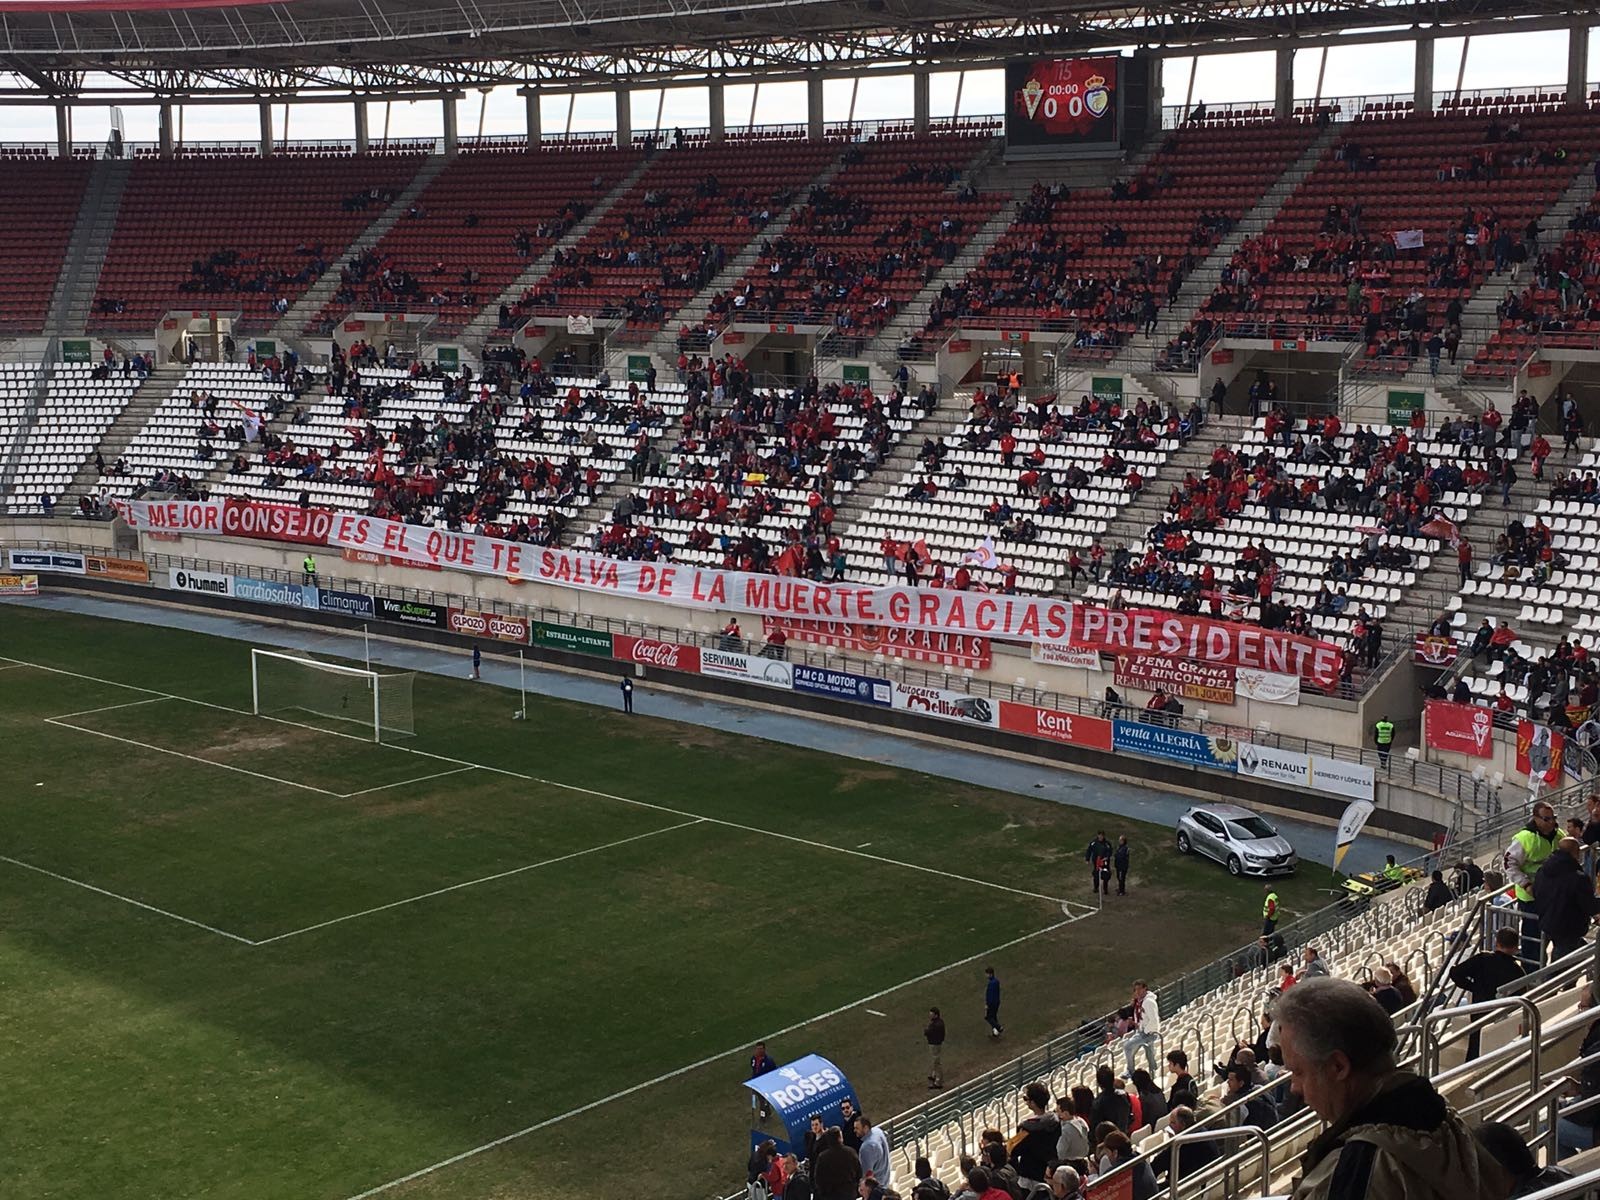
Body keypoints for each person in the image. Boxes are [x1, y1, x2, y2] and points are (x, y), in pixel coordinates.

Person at [1275, 977, 1511, 1199]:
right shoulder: (1443, 1120)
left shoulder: (1355, 1173)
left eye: (1298, 1072)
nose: (1294, 1087)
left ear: (1338, 1067)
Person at [1450, 927, 1526, 1059]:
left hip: (1479, 1012)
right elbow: (1520, 1001)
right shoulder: (1518, 971)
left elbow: (1455, 973)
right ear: (1515, 948)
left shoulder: (1482, 959)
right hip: (1501, 1019)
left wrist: (1474, 987)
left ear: (1497, 943)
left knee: (1475, 1047)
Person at [1506, 802, 1560, 964]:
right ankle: (1531, 973)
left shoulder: (1559, 835)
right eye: (1546, 819)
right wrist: (1525, 884)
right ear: (1535, 818)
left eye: (1553, 818)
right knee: (1532, 941)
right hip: (1531, 898)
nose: (1551, 822)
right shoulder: (1524, 838)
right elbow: (1509, 863)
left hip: (1552, 896)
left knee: (1550, 935)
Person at [1534, 836, 1600, 965]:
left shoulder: (1542, 870)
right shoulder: (1578, 878)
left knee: (1568, 959)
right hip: (1568, 928)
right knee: (1561, 970)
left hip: (1547, 922)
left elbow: (1537, 891)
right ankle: (1550, 984)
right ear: (1575, 852)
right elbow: (1589, 905)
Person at [1153, 1105, 1217, 1188]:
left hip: (1182, 1189)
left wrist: (1172, 1143)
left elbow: (1156, 1166)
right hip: (1206, 1186)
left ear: (1182, 1125)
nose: (1169, 1125)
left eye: (1173, 1122)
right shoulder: (1204, 1133)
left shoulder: (1180, 1145)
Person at [1011, 1082, 1061, 1187]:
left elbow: (1014, 1149)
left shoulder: (1026, 1127)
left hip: (1030, 1175)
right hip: (1050, 1171)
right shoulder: (1055, 1121)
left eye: (1026, 1099)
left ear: (1033, 1103)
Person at [812, 1125, 862, 1200]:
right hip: (849, 1193)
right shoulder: (850, 1152)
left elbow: (818, 1179)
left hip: (831, 1195)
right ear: (839, 1138)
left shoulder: (822, 1157)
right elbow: (859, 1172)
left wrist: (823, 1193)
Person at [1125, 979, 1160, 1078]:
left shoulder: (1149, 1002)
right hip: (1144, 1030)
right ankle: (1154, 1071)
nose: (1137, 992)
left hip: (1147, 1032)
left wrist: (1144, 1031)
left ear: (1145, 988)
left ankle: (1130, 1071)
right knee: (1149, 1054)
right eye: (1135, 990)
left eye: (1140, 989)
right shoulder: (1140, 1001)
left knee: (1128, 1047)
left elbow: (1154, 1019)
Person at [1090, 1064, 1132, 1133]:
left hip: (1111, 1140)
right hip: (1124, 1135)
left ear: (1098, 1083)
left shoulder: (1097, 1103)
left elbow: (1095, 1128)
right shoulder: (1124, 1095)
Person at [855, 1114, 890, 1188]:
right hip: (885, 1179)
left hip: (877, 1186)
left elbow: (867, 1174)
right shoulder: (878, 1131)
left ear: (866, 1128)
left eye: (857, 1128)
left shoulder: (866, 1147)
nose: (854, 1130)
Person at [750, 1042, 777, 1121]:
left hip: (765, 1084)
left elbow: (773, 1072)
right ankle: (767, 1111)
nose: (759, 1050)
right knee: (756, 1100)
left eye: (761, 1049)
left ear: (764, 1049)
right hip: (756, 1084)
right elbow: (754, 1070)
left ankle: (763, 1116)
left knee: (763, 1102)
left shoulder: (769, 1061)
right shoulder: (753, 1059)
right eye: (758, 1049)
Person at [1086, 831, 1113, 896]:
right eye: (1099, 835)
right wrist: (1087, 859)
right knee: (1096, 875)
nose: (1100, 837)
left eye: (1102, 836)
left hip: (1105, 863)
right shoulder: (1094, 843)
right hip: (1096, 862)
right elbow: (1089, 850)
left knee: (1106, 876)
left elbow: (1110, 852)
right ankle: (1096, 887)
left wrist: (1107, 857)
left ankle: (1105, 889)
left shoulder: (1107, 844)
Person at [925, 1006, 946, 1089]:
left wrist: (926, 1031)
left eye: (932, 1014)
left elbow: (929, 1032)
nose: (930, 1015)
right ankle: (934, 1075)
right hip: (935, 1043)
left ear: (936, 1015)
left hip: (935, 1044)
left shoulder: (936, 1025)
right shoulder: (939, 1023)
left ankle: (938, 1081)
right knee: (935, 1061)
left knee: (936, 1062)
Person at [984, 966, 1003, 1038]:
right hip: (997, 1002)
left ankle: (999, 1027)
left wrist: (987, 1004)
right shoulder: (996, 981)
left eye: (987, 974)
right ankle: (995, 1032)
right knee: (994, 1017)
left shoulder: (991, 983)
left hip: (992, 1003)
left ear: (990, 974)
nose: (986, 975)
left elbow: (990, 995)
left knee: (988, 1017)